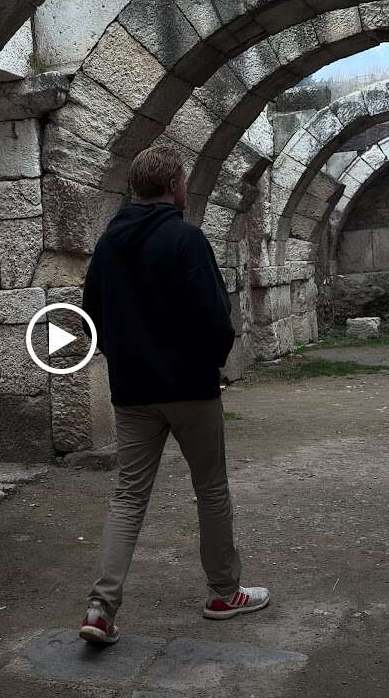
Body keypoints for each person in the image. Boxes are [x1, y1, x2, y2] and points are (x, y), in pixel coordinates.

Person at [77, 146, 268, 646]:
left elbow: (91, 315)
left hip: (132, 392)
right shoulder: (186, 239)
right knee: (211, 488)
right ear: (173, 185)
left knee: (128, 495)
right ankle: (223, 593)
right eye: (184, 180)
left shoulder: (108, 244)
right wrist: (212, 364)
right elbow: (215, 315)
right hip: (189, 389)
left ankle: (100, 608)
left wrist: (125, 357)